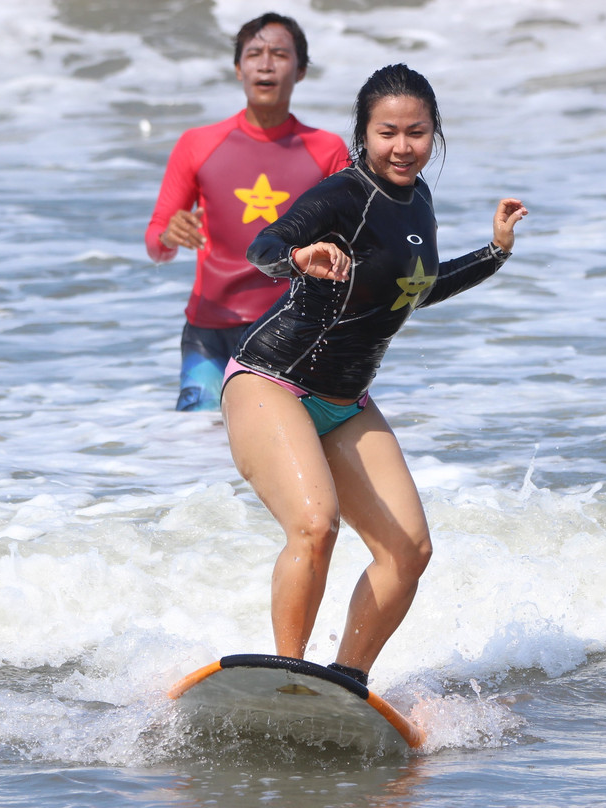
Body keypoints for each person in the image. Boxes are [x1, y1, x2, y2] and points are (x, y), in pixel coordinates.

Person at [221, 63, 528, 685]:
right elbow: (264, 247)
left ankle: (344, 684)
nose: (402, 146)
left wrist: (494, 252)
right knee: (314, 526)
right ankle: (286, 679)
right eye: (387, 132)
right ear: (364, 134)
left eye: (416, 132)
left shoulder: (418, 199)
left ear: (434, 134)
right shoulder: (342, 196)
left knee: (408, 551)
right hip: (271, 380)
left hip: (347, 400)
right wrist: (299, 255)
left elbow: (415, 288)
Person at [145, 12, 350, 411]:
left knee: (281, 454)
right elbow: (156, 244)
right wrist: (169, 235)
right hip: (210, 333)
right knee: (193, 444)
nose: (266, 63)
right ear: (238, 69)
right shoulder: (197, 144)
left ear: (302, 70)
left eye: (279, 53)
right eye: (254, 53)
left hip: (291, 332)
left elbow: (350, 252)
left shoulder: (327, 151)